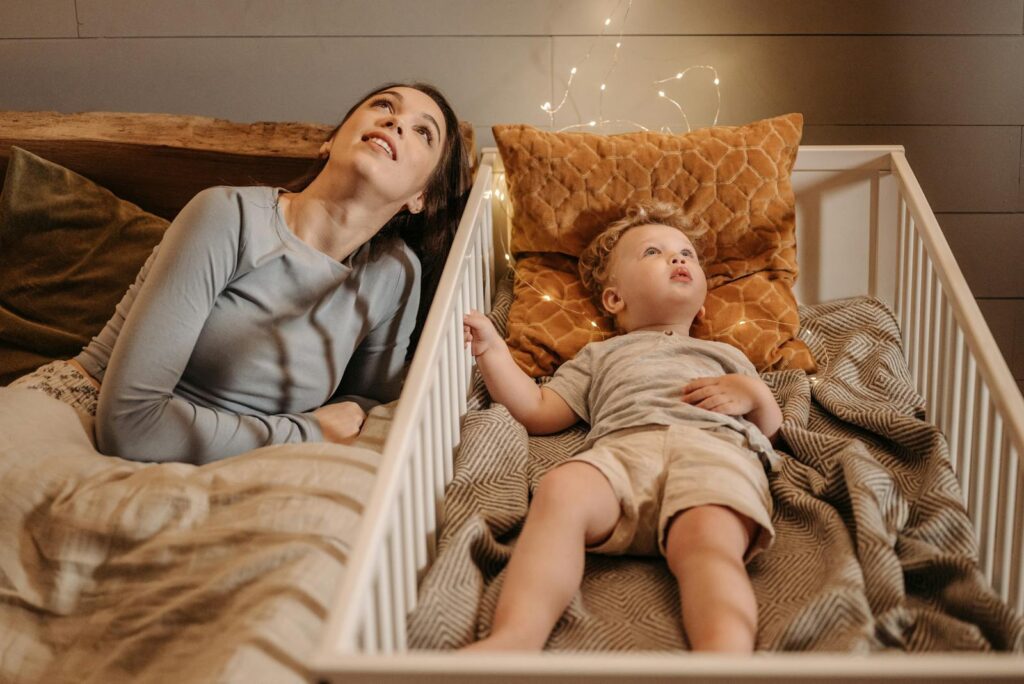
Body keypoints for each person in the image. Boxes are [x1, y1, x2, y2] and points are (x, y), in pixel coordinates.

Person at [10, 82, 468, 464]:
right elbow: (130, 423)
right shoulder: (229, 216)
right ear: (330, 139)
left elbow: (363, 408)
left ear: (421, 197)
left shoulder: (394, 274)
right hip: (80, 419)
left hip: (223, 461)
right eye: (383, 105)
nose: (396, 122)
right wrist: (304, 432)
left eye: (423, 133)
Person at [460, 201, 782, 653]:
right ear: (615, 299)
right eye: (654, 252)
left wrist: (757, 395)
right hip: (623, 450)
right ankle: (516, 636)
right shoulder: (600, 356)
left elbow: (768, 431)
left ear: (703, 306)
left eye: (686, 254)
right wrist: (493, 352)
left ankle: (724, 656)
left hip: (711, 451)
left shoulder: (727, 356)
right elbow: (537, 409)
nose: (678, 258)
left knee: (709, 545)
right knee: (562, 489)